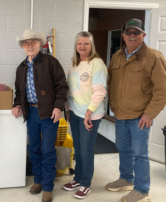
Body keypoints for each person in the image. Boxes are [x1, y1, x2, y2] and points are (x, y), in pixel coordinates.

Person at [106, 18, 166, 202]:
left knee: (140, 154)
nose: (132, 36)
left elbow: (162, 89)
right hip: (120, 114)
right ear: (123, 35)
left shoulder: (153, 57)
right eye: (129, 33)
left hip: (140, 116)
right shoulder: (117, 56)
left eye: (136, 33)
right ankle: (126, 179)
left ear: (143, 35)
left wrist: (150, 114)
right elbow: (110, 83)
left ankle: (142, 190)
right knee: (123, 148)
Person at [12, 29, 68, 202]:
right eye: (26, 43)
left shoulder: (51, 62)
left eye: (33, 42)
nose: (29, 46)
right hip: (31, 112)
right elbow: (19, 91)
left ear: (40, 44)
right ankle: (38, 180)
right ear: (22, 46)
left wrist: (58, 107)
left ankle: (48, 186)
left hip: (49, 113)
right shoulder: (21, 68)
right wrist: (17, 104)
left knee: (48, 150)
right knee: (34, 148)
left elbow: (62, 87)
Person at [62, 31, 107, 199]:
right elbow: (71, 89)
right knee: (78, 149)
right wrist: (67, 108)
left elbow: (100, 90)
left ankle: (86, 183)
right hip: (74, 112)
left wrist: (89, 112)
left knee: (86, 151)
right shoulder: (74, 63)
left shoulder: (97, 63)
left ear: (91, 46)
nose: (82, 46)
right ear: (76, 46)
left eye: (86, 43)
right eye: (79, 43)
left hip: (90, 115)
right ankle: (78, 178)